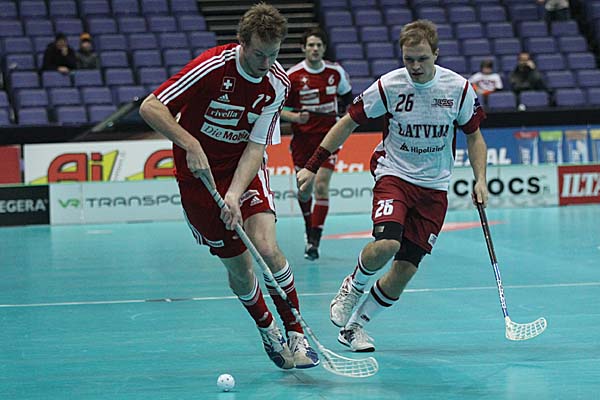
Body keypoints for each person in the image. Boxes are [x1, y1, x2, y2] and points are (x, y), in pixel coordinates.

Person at [139, 3, 319, 369]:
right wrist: (191, 144)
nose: (266, 63)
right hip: (198, 177)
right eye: (259, 54)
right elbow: (150, 107)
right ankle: (267, 327)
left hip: (243, 169)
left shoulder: (277, 83)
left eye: (273, 54)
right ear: (242, 43)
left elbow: (256, 146)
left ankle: (296, 332)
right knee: (239, 268)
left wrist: (235, 194)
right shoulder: (212, 66)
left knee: (266, 248)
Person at [297, 19, 489, 352]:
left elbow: (474, 136)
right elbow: (347, 122)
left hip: (434, 187)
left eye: (422, 59)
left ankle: (355, 327)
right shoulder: (389, 85)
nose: (415, 66)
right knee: (386, 244)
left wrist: (481, 179)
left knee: (405, 270)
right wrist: (313, 165)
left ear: (436, 54)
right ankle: (353, 286)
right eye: (408, 59)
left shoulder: (458, 89)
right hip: (394, 175)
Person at [280, 28, 353, 261]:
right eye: (310, 45)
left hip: (329, 139)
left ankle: (314, 240)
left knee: (321, 185)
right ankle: (308, 227)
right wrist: (294, 117)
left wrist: (343, 115)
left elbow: (348, 99)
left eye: (318, 45)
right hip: (302, 142)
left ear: (324, 48)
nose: (315, 49)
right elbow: (278, 109)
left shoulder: (335, 72)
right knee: (304, 190)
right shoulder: (293, 76)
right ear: (303, 48)